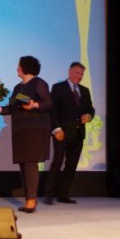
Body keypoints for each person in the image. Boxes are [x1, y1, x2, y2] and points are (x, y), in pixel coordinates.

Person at [0, 55, 52, 213]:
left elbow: (48, 102)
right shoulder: (18, 88)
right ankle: (29, 199)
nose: (16, 68)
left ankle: (31, 201)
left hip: (34, 131)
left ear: (25, 67)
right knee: (24, 165)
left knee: (30, 164)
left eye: (19, 66)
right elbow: (11, 109)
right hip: (20, 131)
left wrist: (34, 105)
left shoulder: (39, 83)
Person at [44, 62, 95, 205]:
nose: (80, 76)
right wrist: (56, 128)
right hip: (62, 133)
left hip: (78, 134)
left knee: (71, 165)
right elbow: (53, 110)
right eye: (77, 73)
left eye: (82, 74)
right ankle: (49, 193)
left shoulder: (84, 90)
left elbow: (90, 109)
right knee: (58, 162)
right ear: (70, 72)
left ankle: (63, 194)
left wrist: (89, 116)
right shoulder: (58, 88)